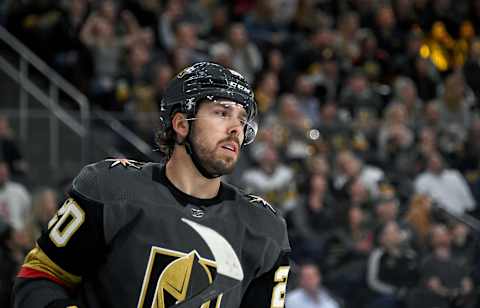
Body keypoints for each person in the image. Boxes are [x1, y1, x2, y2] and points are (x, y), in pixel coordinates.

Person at [13, 62, 291, 308]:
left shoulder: (264, 228)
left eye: (243, 120)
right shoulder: (112, 189)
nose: (236, 128)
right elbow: (39, 279)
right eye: (222, 113)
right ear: (181, 123)